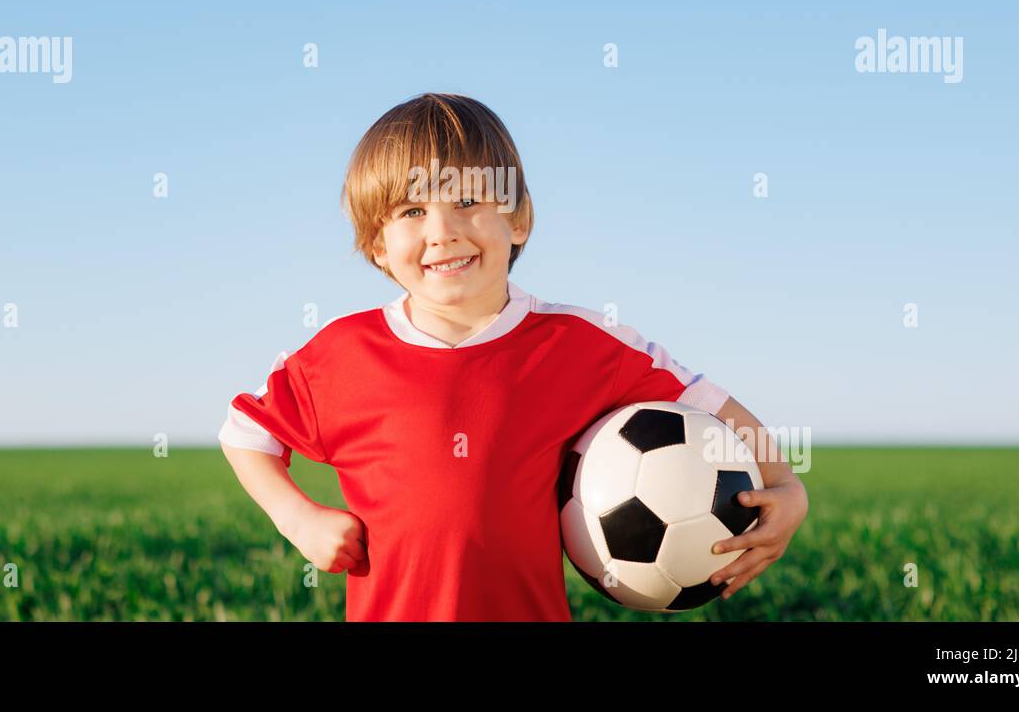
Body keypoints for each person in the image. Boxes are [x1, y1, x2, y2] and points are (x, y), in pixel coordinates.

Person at [218, 92, 808, 620]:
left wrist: (786, 488)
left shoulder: (577, 344)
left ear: (518, 219)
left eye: (468, 200)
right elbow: (246, 432)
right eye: (411, 212)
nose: (442, 231)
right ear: (378, 242)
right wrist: (297, 519)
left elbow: (709, 405)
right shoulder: (343, 354)